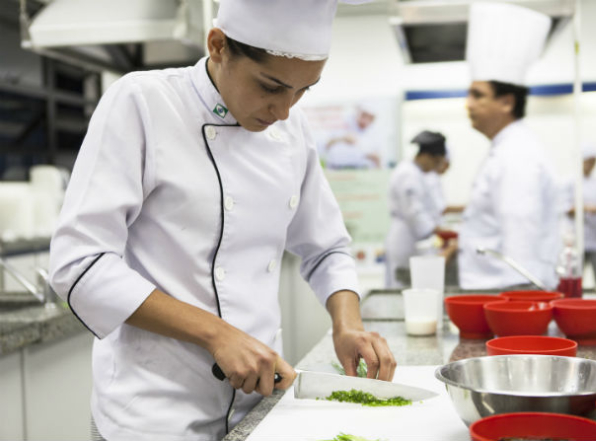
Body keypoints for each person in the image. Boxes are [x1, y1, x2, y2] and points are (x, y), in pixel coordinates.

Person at [48, 1, 396, 439]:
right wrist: (217, 334)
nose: (284, 110)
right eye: (271, 86)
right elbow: (79, 264)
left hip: (258, 401)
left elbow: (326, 247)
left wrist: (347, 326)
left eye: (303, 90)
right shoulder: (144, 102)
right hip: (154, 411)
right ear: (217, 46)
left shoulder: (292, 130)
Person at [458, 2, 560, 290]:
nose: (468, 104)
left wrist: (517, 312)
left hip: (510, 295)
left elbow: (521, 242)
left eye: (478, 95)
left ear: (506, 102)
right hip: (497, 293)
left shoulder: (517, 155)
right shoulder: (507, 147)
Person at [384, 130, 456, 288]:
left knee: (414, 283)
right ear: (427, 156)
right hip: (405, 238)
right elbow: (414, 212)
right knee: (403, 285)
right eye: (436, 162)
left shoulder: (416, 173)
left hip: (413, 236)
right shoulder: (407, 174)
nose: (436, 168)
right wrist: (438, 231)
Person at [563, 142, 596, 291]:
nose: (591, 165)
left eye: (594, 162)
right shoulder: (570, 181)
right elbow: (565, 208)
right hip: (578, 239)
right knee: (573, 278)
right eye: (589, 161)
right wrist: (585, 208)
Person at [323, 103, 381, 169]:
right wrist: (343, 138)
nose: (365, 121)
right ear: (357, 114)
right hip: (337, 170)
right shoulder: (342, 125)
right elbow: (325, 145)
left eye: (370, 118)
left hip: (362, 172)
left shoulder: (373, 134)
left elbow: (378, 160)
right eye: (364, 116)